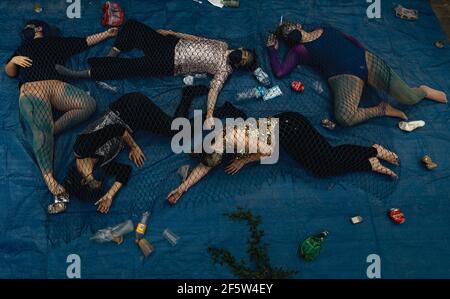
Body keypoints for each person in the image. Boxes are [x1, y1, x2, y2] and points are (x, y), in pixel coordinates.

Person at [53, 85, 241, 214]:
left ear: (86, 181)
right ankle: (188, 94)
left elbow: (116, 129)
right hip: (133, 124)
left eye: (99, 188)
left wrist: (133, 147)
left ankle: (219, 110)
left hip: (130, 108)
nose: (103, 185)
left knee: (176, 131)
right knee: (176, 131)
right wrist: (110, 196)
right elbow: (124, 172)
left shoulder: (82, 148)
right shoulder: (95, 169)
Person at [166, 103, 400, 205]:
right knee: (320, 168)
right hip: (282, 133)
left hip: (290, 128)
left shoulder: (235, 140)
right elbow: (203, 168)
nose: (216, 164)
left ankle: (374, 150)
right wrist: (181, 189)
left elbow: (268, 151)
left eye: (216, 161)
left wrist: (244, 160)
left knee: (326, 159)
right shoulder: (214, 147)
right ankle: (368, 163)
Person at [55, 19, 262, 128]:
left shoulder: (224, 69)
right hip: (170, 44)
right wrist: (173, 33)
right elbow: (198, 39)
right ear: (242, 48)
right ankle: (111, 56)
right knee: (133, 26)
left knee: (129, 68)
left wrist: (209, 115)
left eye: (243, 61)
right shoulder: (222, 44)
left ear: (239, 66)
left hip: (170, 63)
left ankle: (80, 74)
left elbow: (214, 91)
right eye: (244, 54)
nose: (241, 57)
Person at [4, 20, 118, 201]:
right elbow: (10, 72)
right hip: (33, 88)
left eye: (29, 27)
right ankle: (50, 180)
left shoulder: (57, 43)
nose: (25, 29)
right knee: (40, 133)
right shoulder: (23, 46)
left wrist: (107, 34)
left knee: (88, 104)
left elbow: (85, 41)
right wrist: (13, 60)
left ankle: (50, 130)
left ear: (39, 27)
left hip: (56, 86)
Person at [266, 22, 447, 127]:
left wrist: (365, 56)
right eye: (286, 35)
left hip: (364, 61)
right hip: (344, 77)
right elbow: (280, 72)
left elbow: (350, 39)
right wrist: (272, 51)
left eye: (289, 29)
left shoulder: (323, 28)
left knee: (409, 98)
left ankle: (423, 91)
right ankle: (382, 109)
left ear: (298, 25)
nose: (289, 34)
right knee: (344, 118)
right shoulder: (299, 51)